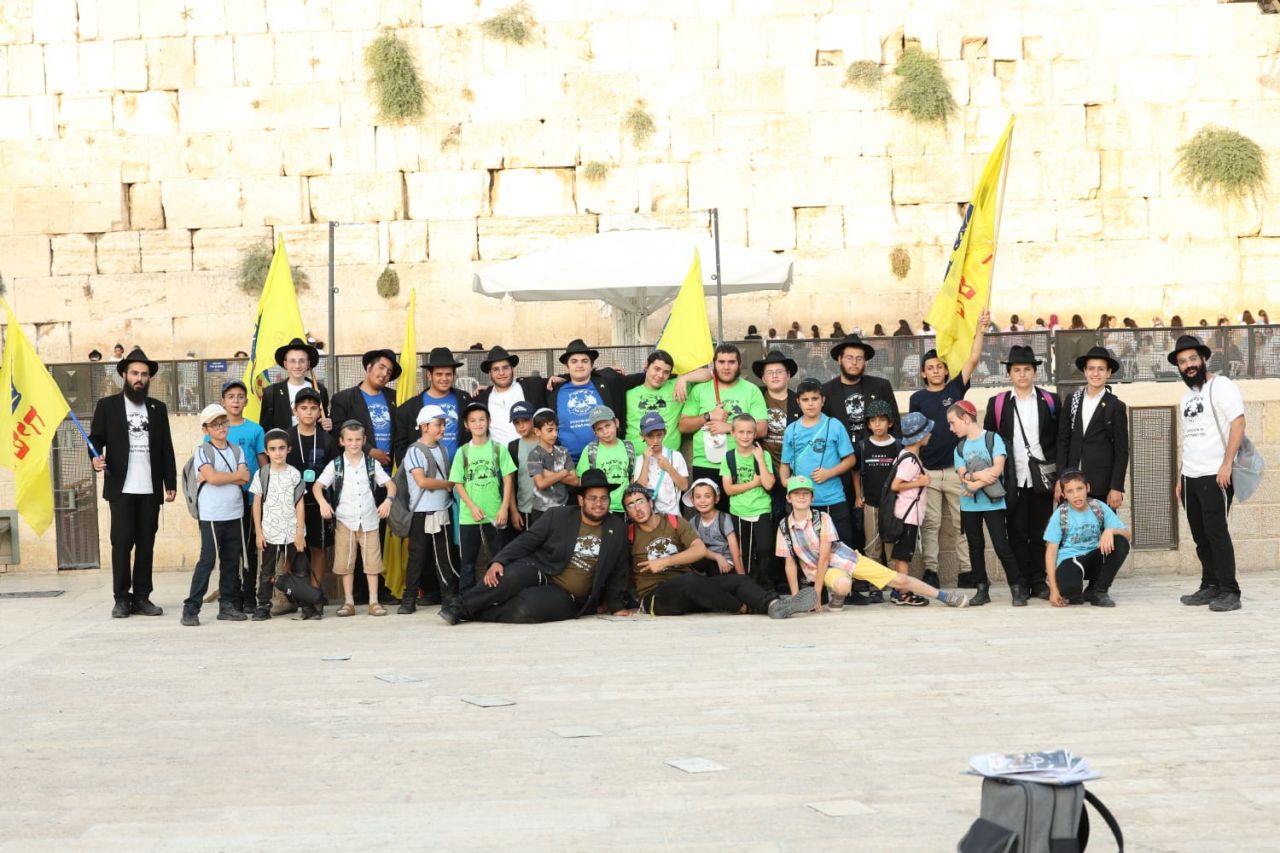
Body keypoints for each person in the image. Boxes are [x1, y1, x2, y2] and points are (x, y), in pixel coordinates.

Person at [438, 470, 630, 625]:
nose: (599, 504)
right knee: (508, 576)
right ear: (581, 500)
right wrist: (499, 560)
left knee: (526, 608)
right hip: (542, 570)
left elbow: (619, 570)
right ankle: (459, 607)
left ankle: (477, 614)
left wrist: (616, 605)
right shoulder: (558, 516)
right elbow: (526, 541)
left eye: (604, 498)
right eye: (593, 498)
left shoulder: (617, 528)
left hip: (568, 595)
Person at [777, 476, 967, 611]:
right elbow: (790, 564)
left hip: (845, 559)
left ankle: (943, 596)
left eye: (805, 493)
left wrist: (817, 593)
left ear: (812, 497)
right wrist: (796, 599)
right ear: (788, 497)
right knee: (843, 585)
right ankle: (838, 596)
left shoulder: (822, 518)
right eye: (796, 493)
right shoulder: (784, 526)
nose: (801, 497)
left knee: (898, 579)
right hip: (822, 572)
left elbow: (825, 557)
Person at [624, 485, 814, 618]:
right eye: (630, 505)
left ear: (650, 503)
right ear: (628, 512)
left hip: (691, 589)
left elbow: (699, 550)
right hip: (655, 598)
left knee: (738, 580)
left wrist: (664, 562)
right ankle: (744, 607)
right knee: (689, 581)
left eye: (640, 501)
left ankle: (774, 605)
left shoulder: (673, 522)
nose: (637, 508)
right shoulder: (628, 534)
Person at [88, 347, 177, 619]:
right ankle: (121, 599)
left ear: (149, 378)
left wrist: (170, 482)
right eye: (135, 373)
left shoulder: (158, 409)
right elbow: (95, 439)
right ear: (124, 375)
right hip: (121, 488)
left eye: (144, 374)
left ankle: (142, 597)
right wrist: (95, 458)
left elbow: (166, 448)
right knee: (121, 544)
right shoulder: (107, 406)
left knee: (146, 545)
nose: (139, 378)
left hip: (149, 489)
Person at [908, 309, 989, 589]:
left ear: (945, 370)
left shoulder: (954, 390)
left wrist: (980, 329)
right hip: (929, 473)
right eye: (930, 367)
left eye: (939, 366)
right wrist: (915, 469)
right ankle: (931, 570)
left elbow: (973, 359)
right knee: (930, 524)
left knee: (960, 523)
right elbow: (914, 436)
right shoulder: (917, 398)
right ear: (923, 372)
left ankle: (967, 571)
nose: (935, 371)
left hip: (958, 471)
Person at [1170, 334, 1246, 612]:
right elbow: (1189, 437)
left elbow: (1238, 423)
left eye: (1193, 359)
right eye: (1182, 361)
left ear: (1203, 359)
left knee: (1217, 534)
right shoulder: (1186, 398)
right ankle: (1210, 585)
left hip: (1216, 475)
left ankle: (1230, 591)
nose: (1189, 365)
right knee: (1200, 536)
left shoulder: (1222, 386)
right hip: (1190, 477)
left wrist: (1227, 464)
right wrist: (1181, 476)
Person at [983, 345, 1061, 600]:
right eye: (1017, 370)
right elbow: (989, 440)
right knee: (1016, 532)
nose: (1022, 374)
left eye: (1027, 369)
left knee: (1040, 531)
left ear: (1035, 372)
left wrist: (1061, 477)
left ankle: (1039, 581)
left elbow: (1060, 440)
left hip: (1043, 477)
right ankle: (1021, 582)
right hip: (1011, 477)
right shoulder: (998, 403)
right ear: (1009, 374)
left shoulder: (1050, 401)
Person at [821, 332, 898, 547]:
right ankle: (853, 561)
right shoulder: (826, 390)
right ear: (839, 359)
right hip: (840, 465)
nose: (854, 363)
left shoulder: (881, 386)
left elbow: (895, 424)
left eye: (859, 358)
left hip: (876, 462)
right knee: (848, 519)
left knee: (880, 517)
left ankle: (880, 563)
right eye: (849, 357)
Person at [313, 421, 396, 617]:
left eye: (358, 439)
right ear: (342, 441)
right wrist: (323, 503)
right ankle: (348, 601)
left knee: (372, 563)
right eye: (349, 440)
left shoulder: (371, 463)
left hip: (369, 519)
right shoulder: (336, 465)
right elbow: (317, 486)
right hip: (345, 520)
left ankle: (374, 601)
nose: (354, 443)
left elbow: (390, 485)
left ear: (364, 440)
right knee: (346, 563)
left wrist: (388, 501)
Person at [181, 404, 250, 626]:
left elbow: (245, 478)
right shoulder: (203, 451)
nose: (221, 427)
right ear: (205, 429)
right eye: (215, 424)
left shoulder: (237, 450)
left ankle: (227, 606)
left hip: (235, 513)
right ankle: (191, 609)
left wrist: (221, 476)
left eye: (223, 422)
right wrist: (232, 475)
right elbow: (212, 478)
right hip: (212, 515)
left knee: (231, 561)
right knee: (208, 561)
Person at [948, 400, 1021, 607]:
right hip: (969, 506)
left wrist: (974, 485)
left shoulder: (992, 438)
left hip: (993, 504)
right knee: (975, 547)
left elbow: (997, 470)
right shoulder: (960, 447)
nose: (951, 428)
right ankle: (981, 588)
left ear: (966, 418)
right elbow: (963, 476)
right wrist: (977, 477)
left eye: (953, 423)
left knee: (1001, 546)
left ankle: (1017, 587)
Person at [678, 344, 767, 509]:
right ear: (714, 364)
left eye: (731, 362)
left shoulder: (751, 391)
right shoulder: (700, 390)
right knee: (708, 516)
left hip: (740, 462)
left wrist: (729, 428)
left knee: (739, 514)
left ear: (739, 364)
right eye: (721, 362)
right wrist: (708, 415)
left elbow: (762, 428)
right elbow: (683, 425)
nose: (726, 367)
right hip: (706, 463)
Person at [781, 378, 858, 548]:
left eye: (815, 399)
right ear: (798, 402)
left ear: (822, 400)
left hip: (833, 499)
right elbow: (785, 464)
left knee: (840, 549)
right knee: (807, 551)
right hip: (802, 502)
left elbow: (851, 459)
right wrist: (786, 482)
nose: (810, 404)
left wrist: (829, 473)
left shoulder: (834, 425)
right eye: (805, 399)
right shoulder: (791, 430)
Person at [398, 405, 461, 614]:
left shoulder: (443, 449)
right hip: (421, 512)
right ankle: (409, 599)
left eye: (443, 424)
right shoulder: (414, 450)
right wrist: (448, 484)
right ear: (424, 426)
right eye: (438, 424)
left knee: (444, 557)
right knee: (417, 557)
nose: (442, 428)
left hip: (442, 509)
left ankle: (448, 597)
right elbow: (422, 481)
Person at [449, 401, 516, 591]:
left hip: (495, 514)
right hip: (469, 516)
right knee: (468, 563)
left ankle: (499, 596)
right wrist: (471, 507)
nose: (478, 424)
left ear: (489, 421)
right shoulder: (463, 452)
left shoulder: (498, 449)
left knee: (498, 559)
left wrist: (504, 508)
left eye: (481, 419)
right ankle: (466, 599)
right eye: (473, 421)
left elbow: (508, 478)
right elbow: (458, 483)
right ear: (466, 425)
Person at [1044, 469, 1130, 608]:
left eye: (1080, 489)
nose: (1076, 495)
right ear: (1064, 494)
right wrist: (1053, 590)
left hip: (1095, 556)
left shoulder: (1098, 507)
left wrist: (1111, 530)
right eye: (1070, 491)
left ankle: (1098, 591)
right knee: (1070, 592)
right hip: (1071, 558)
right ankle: (1076, 591)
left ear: (1087, 488)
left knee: (1121, 541)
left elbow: (1127, 535)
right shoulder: (1060, 514)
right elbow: (1051, 553)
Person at [1055, 346, 1128, 510]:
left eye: (1101, 369)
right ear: (1085, 371)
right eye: (1091, 369)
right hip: (1071, 485)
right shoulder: (1072, 400)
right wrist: (1060, 480)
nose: (1096, 373)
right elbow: (1062, 442)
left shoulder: (1116, 406)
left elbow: (1122, 451)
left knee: (1102, 526)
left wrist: (1116, 487)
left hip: (1102, 485)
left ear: (1108, 372)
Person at [286, 387, 336, 610]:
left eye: (313, 408)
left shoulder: (326, 440)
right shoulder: (286, 437)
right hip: (290, 503)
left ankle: (314, 593)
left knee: (319, 547)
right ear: (294, 410)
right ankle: (291, 594)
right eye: (304, 407)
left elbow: (334, 471)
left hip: (318, 502)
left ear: (319, 411)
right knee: (290, 548)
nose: (308, 412)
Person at [248, 429, 307, 621]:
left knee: (300, 570)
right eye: (273, 449)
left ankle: (306, 604)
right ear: (266, 451)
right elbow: (256, 504)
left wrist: (300, 532)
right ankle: (263, 606)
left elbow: (299, 504)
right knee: (267, 571)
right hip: (270, 532)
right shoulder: (262, 474)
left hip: (292, 531)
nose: (278, 453)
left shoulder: (294, 474)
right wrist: (259, 532)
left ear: (289, 449)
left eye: (282, 448)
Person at [546, 339, 629, 462]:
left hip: (605, 460)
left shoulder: (606, 382)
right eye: (574, 361)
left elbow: (640, 379)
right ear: (567, 366)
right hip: (567, 462)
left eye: (585, 361)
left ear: (591, 365)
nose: (580, 365)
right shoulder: (555, 390)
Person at [720, 413, 776, 590]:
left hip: (761, 507)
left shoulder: (763, 455)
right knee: (745, 552)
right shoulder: (728, 457)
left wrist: (759, 459)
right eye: (741, 432)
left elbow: (769, 484)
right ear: (733, 433)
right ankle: (750, 588)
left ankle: (767, 587)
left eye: (749, 432)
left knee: (765, 548)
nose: (745, 436)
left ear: (755, 433)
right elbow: (728, 489)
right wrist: (753, 483)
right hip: (739, 510)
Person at [395, 347, 473, 464]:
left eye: (448, 374)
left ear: (454, 375)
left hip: (461, 470)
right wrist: (415, 471)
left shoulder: (464, 399)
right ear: (429, 375)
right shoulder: (409, 408)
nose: (444, 379)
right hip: (427, 473)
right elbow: (401, 448)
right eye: (439, 374)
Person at [622, 349, 706, 453]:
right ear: (646, 366)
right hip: (636, 457)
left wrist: (684, 379)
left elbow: (709, 373)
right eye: (657, 369)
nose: (660, 375)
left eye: (666, 372)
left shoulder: (676, 386)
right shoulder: (629, 393)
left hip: (668, 456)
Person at [886, 412, 932, 605]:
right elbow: (896, 485)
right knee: (903, 557)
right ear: (920, 436)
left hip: (904, 514)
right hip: (907, 515)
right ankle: (903, 593)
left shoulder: (905, 455)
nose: (930, 435)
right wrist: (921, 482)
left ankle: (899, 590)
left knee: (901, 555)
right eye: (927, 432)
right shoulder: (910, 460)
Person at [330, 348, 399, 472]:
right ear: (369, 367)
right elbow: (338, 432)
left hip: (391, 471)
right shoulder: (343, 398)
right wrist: (369, 451)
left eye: (389, 372)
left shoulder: (396, 397)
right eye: (381, 367)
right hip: (358, 470)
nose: (384, 374)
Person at [852, 400, 900, 568]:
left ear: (890, 423)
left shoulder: (898, 446)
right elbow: (855, 472)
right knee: (872, 548)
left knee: (892, 548)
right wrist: (858, 496)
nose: (877, 424)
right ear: (868, 424)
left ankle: (896, 582)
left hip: (893, 504)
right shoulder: (863, 446)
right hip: (870, 504)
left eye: (882, 420)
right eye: (873, 420)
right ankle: (875, 583)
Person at [472, 345, 548, 446]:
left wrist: (561, 378)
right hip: (497, 454)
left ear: (512, 369)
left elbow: (563, 381)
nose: (501, 373)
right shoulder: (482, 398)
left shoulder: (532, 386)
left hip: (530, 453)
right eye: (496, 369)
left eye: (505, 368)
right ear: (490, 374)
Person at [257, 337, 331, 433]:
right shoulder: (272, 392)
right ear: (285, 364)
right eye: (292, 361)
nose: (297, 366)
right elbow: (265, 428)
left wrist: (326, 424)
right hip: (283, 442)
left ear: (308, 364)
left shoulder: (319, 390)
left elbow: (323, 422)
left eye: (302, 361)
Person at [576, 405, 635, 516]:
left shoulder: (629, 447)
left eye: (608, 425)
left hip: (625, 507)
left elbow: (632, 477)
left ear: (616, 423)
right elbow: (581, 482)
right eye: (599, 429)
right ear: (594, 432)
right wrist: (583, 509)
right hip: (600, 508)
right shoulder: (590, 450)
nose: (605, 432)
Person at [526, 409, 577, 526]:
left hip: (563, 508)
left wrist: (547, 473)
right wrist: (563, 473)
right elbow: (541, 484)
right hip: (541, 511)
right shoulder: (534, 454)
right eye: (550, 430)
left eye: (556, 430)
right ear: (537, 431)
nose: (554, 434)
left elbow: (575, 481)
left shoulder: (563, 452)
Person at [633, 411, 689, 515]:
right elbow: (638, 491)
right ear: (642, 436)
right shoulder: (641, 459)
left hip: (673, 515)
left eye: (659, 435)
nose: (655, 440)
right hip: (650, 517)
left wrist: (669, 467)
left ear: (665, 433)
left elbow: (684, 486)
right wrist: (646, 462)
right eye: (650, 436)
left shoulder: (676, 456)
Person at [683, 479, 741, 576]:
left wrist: (741, 576)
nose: (702, 501)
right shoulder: (694, 522)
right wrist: (717, 557)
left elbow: (735, 552)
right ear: (692, 500)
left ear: (716, 498)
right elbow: (696, 548)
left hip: (726, 562)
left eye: (707, 496)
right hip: (708, 558)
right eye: (698, 497)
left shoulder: (724, 519)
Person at [505, 401, 540, 532]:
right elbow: (510, 482)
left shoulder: (548, 440)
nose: (521, 426)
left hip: (549, 507)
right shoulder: (513, 447)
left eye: (525, 420)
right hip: (525, 509)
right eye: (516, 422)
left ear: (533, 419)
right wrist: (514, 511)